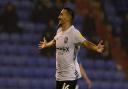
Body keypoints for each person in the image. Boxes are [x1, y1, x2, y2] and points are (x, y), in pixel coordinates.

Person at [38, 7, 104, 89]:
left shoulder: (74, 33)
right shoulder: (59, 31)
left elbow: (85, 42)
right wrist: (47, 44)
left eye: (61, 15)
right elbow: (55, 41)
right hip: (59, 76)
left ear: (68, 17)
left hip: (69, 77)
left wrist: (96, 48)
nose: (59, 17)